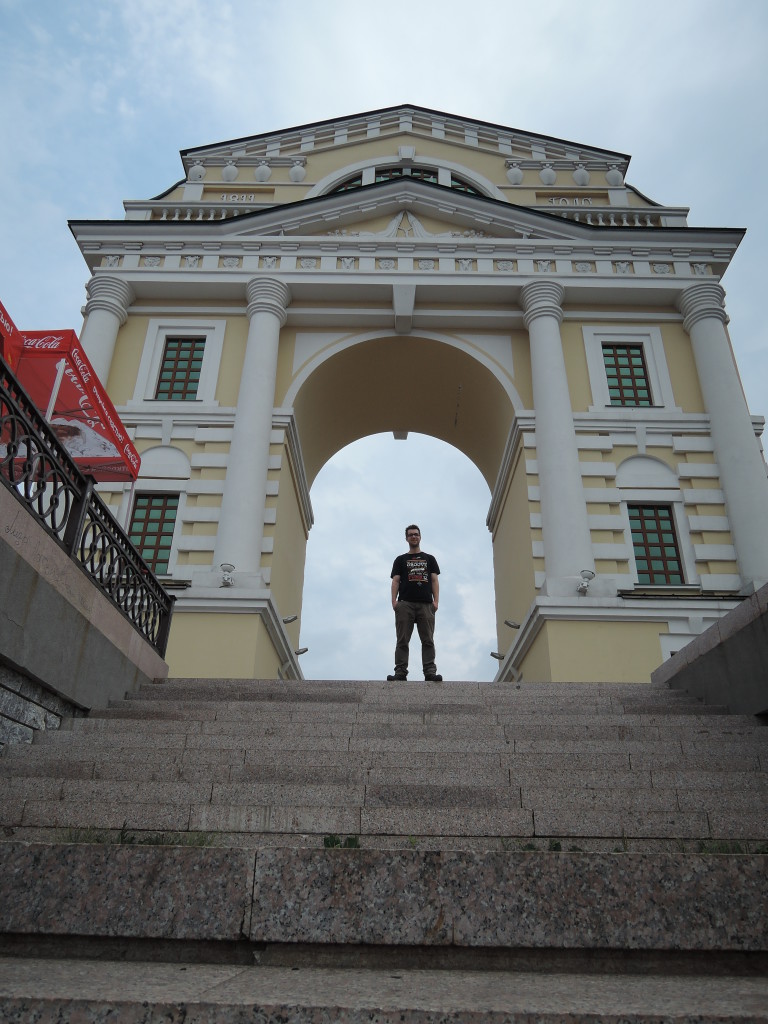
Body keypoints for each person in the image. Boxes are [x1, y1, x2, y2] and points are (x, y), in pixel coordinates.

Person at [388, 524, 442, 681]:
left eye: (416, 534)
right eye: (410, 534)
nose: (413, 536)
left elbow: (434, 580)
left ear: (420, 537)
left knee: (428, 640)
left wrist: (436, 601)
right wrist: (394, 602)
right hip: (405, 604)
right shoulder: (400, 560)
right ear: (406, 538)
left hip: (426, 605)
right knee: (402, 640)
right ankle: (400, 672)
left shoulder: (429, 559)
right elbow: (395, 581)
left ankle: (430, 672)